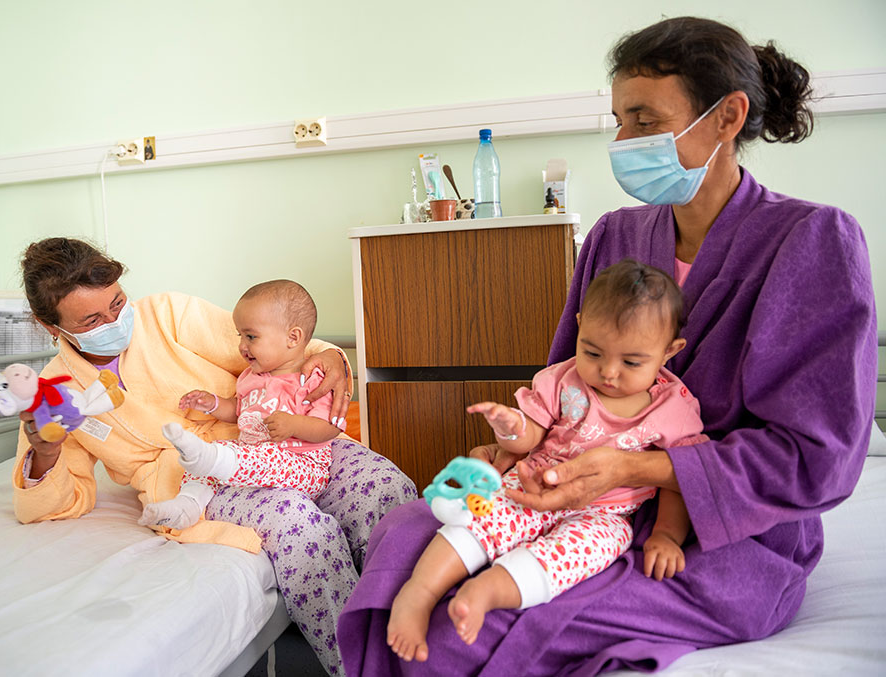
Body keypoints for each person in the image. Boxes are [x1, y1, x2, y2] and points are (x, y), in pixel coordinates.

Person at [338, 16, 877, 675]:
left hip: (721, 536)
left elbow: (818, 459)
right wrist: (523, 446)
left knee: (475, 626)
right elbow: (569, 384)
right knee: (407, 539)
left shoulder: (812, 242)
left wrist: (637, 470)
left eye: (645, 121)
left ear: (727, 116)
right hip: (568, 495)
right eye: (619, 120)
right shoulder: (615, 238)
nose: (624, 141)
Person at [13, 238, 416, 675]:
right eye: (92, 319)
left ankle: (423, 637)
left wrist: (331, 356)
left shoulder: (167, 315)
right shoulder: (53, 392)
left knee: (386, 487)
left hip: (282, 433)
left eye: (117, 303)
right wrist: (45, 452)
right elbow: (48, 504)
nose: (114, 321)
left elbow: (271, 338)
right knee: (298, 524)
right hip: (206, 477)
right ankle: (367, 668)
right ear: (51, 326)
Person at [387, 260, 706, 662]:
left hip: (602, 514)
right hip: (531, 484)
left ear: (669, 351)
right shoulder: (563, 379)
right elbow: (528, 437)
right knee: (481, 517)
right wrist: (510, 426)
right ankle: (419, 593)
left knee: (583, 553)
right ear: (579, 326)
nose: (608, 372)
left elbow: (679, 476)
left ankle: (487, 591)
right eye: (592, 351)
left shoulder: (673, 410)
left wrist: (666, 535)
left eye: (631, 362)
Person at [138, 279, 341, 529]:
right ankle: (187, 505)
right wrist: (212, 403)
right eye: (240, 336)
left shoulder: (312, 378)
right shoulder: (250, 377)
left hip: (301, 466)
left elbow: (331, 426)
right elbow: (239, 411)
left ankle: (214, 461)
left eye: (251, 336)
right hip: (252, 463)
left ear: (293, 337)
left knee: (235, 456)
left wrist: (295, 424)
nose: (242, 346)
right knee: (213, 453)